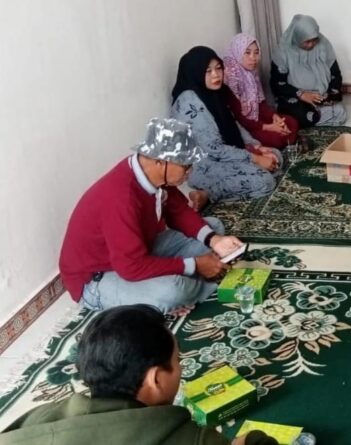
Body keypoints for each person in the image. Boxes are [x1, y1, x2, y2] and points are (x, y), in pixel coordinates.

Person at [0, 305, 279, 444]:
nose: (180, 368)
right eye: (177, 360)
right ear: (155, 380)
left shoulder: (38, 420)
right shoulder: (193, 439)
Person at [58, 118, 242, 313]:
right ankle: (181, 291)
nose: (190, 172)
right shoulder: (121, 198)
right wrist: (194, 265)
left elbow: (177, 210)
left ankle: (177, 285)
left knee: (214, 228)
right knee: (174, 289)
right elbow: (130, 266)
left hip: (140, 249)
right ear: (160, 162)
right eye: (186, 166)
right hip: (98, 277)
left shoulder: (152, 176)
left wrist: (214, 240)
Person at [170, 46, 282, 207]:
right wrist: (255, 158)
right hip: (202, 165)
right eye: (208, 71)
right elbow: (214, 149)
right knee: (264, 180)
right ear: (195, 72)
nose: (216, 75)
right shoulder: (190, 101)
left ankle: (252, 167)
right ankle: (207, 194)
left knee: (275, 155)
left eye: (218, 68)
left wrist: (255, 146)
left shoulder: (214, 93)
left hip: (225, 153)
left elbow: (233, 123)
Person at [223, 33, 300, 149]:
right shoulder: (231, 76)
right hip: (244, 127)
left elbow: (261, 104)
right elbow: (239, 118)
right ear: (237, 52)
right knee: (276, 139)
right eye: (247, 53)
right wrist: (268, 127)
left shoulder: (251, 73)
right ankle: (287, 140)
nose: (253, 58)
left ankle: (286, 138)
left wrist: (274, 117)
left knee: (291, 122)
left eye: (256, 52)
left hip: (257, 119)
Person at [271, 14, 347, 128]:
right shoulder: (283, 50)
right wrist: (301, 94)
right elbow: (277, 84)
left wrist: (330, 95)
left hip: (319, 98)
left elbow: (335, 74)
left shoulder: (323, 44)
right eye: (307, 41)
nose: (312, 44)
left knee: (340, 111)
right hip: (295, 99)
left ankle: (309, 119)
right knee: (298, 112)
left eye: (314, 40)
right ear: (297, 37)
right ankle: (312, 118)